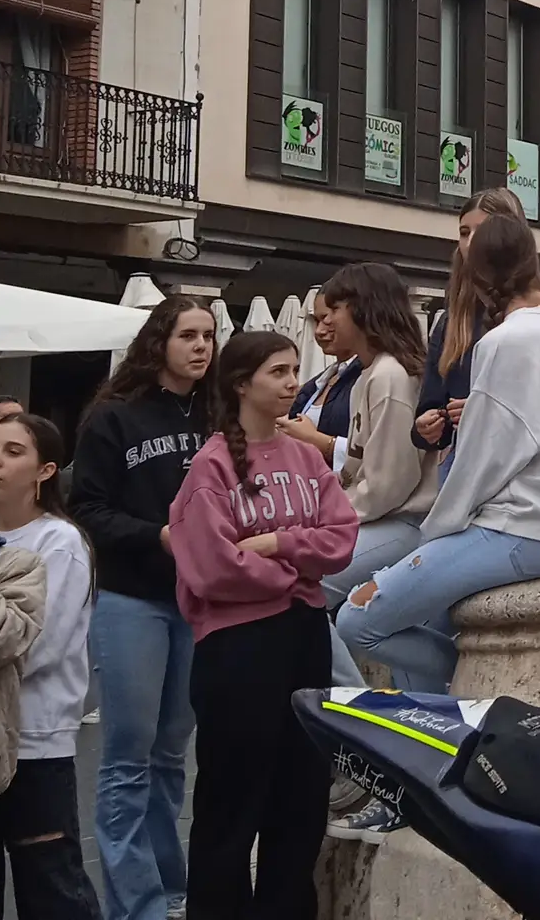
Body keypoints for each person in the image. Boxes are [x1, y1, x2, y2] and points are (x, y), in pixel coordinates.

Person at [335, 215, 540, 839]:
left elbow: (482, 457)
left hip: (517, 527)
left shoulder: (503, 343)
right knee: (417, 611)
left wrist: (433, 535)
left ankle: (459, 711)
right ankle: (435, 766)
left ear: (478, 282)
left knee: (358, 616)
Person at [169, 331, 358, 919]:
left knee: (300, 795)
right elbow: (209, 564)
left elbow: (342, 535)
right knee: (232, 798)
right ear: (241, 383)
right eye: (278, 371)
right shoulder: (211, 465)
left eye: (295, 369)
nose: (290, 383)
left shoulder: (307, 458)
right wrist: (291, 575)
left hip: (302, 636)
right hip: (236, 646)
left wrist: (279, 543)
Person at [69, 295, 215, 920]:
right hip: (132, 599)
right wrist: (155, 535)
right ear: (160, 342)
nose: (202, 347)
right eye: (189, 335)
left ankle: (172, 890)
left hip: (199, 600)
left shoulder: (218, 413)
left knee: (171, 752)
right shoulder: (113, 416)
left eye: (209, 336)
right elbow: (88, 509)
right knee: (129, 752)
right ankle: (135, 903)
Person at [0, 413, 100, 918]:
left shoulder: (60, 543)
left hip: (35, 741)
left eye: (14, 452)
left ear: (45, 470)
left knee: (51, 887)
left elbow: (38, 648)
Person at [313, 264, 441, 689]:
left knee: (301, 587)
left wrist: (327, 519)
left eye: (336, 308)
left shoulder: (388, 375)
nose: (326, 320)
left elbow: (388, 483)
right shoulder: (374, 373)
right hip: (388, 519)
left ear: (365, 309)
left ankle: (354, 703)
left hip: (401, 522)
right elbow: (363, 468)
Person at [411, 189, 540, 478]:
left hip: (521, 478)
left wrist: (484, 410)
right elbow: (429, 407)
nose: (470, 243)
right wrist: (427, 425)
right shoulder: (449, 322)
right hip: (461, 470)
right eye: (464, 232)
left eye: (480, 232)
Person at [279, 290, 362, 469]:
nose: (319, 331)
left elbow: (378, 455)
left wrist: (317, 440)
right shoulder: (322, 379)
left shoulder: (370, 376)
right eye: (317, 321)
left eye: (327, 320)